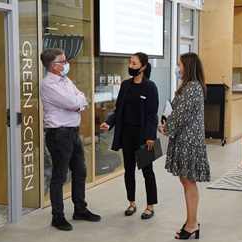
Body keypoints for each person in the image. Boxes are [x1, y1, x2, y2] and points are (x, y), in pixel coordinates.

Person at [40, 48, 101, 231]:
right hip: (59, 134)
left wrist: (77, 102)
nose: (67, 64)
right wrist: (77, 102)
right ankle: (57, 216)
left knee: (80, 171)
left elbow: (82, 98)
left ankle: (80, 210)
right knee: (60, 176)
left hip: (73, 133)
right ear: (53, 65)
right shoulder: (48, 84)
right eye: (63, 61)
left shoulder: (65, 80)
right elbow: (74, 103)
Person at [100, 52, 159, 219]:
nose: (130, 66)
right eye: (130, 63)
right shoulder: (126, 85)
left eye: (134, 64)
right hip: (126, 134)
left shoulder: (150, 87)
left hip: (143, 136)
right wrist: (109, 122)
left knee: (148, 171)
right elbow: (118, 110)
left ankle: (150, 206)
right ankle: (131, 203)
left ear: (143, 67)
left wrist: (150, 136)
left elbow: (152, 115)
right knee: (129, 171)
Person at [158, 52, 211, 240]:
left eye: (179, 65)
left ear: (187, 67)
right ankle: (191, 222)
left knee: (188, 181)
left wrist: (166, 128)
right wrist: (168, 125)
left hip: (189, 141)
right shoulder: (190, 86)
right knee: (186, 180)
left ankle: (192, 224)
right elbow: (179, 112)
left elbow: (182, 115)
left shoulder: (193, 87)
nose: (177, 68)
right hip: (185, 139)